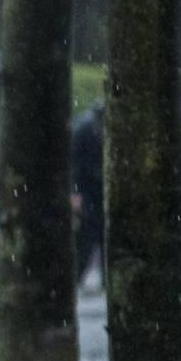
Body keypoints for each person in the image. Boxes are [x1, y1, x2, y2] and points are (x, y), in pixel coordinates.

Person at [70, 100, 105, 289]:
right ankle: (77, 277)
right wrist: (75, 191)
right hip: (88, 187)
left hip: (97, 187)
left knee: (97, 234)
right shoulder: (83, 130)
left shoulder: (87, 128)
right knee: (85, 235)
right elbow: (75, 164)